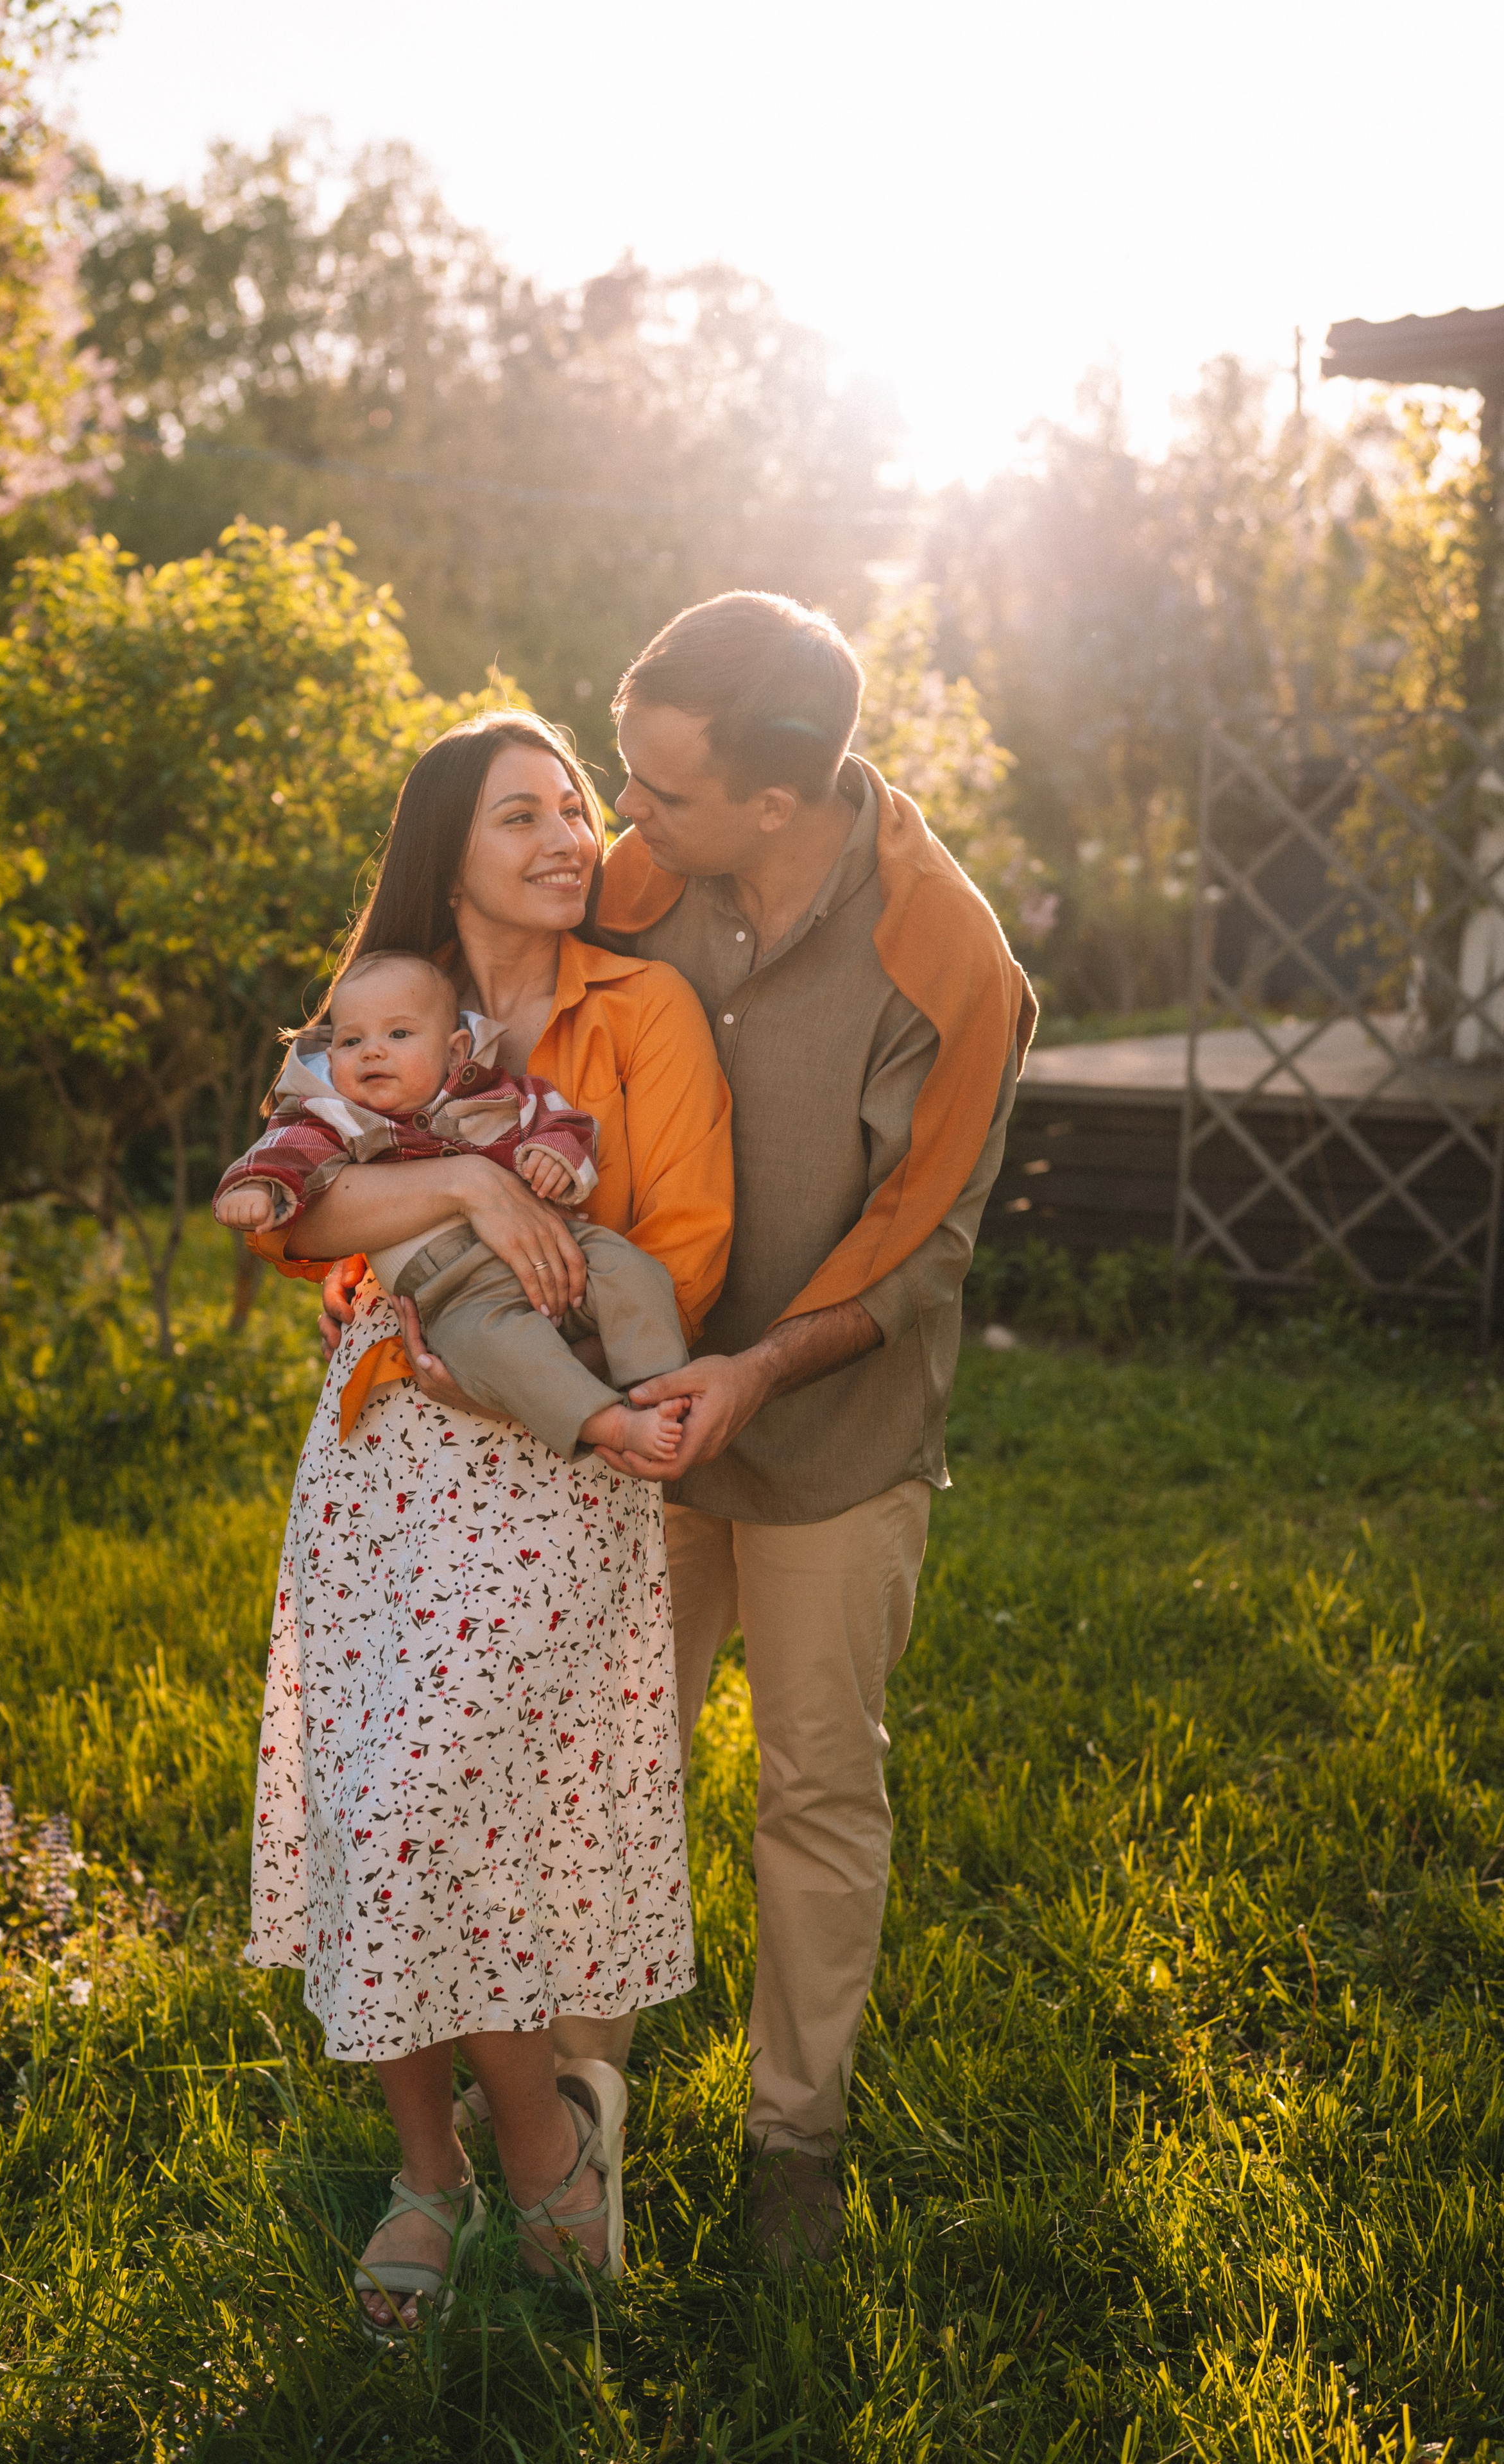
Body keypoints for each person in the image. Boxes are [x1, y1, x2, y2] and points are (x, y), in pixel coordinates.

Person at [323, 594, 1035, 2268]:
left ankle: (795, 2137)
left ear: (781, 800)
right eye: (613, 786)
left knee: (810, 1785)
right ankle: (572, 2105)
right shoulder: (649, 881)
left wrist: (752, 1375)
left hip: (825, 1430)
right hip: (611, 1422)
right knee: (590, 1766)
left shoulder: (948, 962)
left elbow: (928, 1244)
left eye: (657, 795)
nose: (620, 826)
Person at [244, 710, 733, 2331]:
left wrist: (499, 1339)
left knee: (454, 1807)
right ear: (444, 838)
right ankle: (429, 2171)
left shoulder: (642, 1004)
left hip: (556, 1462)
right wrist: (469, 1188)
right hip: (381, 1463)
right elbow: (290, 1203)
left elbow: (676, 1246)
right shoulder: (377, 1000)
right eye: (520, 810)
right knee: (374, 1800)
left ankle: (533, 2143)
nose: (565, 834)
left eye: (576, 806)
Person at [214, 949, 692, 1464]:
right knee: (504, 1351)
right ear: (331, 1060)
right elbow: (288, 1151)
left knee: (631, 1269)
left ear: (455, 1048)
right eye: (352, 1041)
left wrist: (556, 1155)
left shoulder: (494, 1095)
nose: (372, 1053)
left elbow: (563, 1120)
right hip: (454, 1291)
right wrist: (256, 1188)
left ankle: (657, 1387)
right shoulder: (339, 1121)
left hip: (559, 1250)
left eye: (398, 1035)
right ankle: (610, 1423)